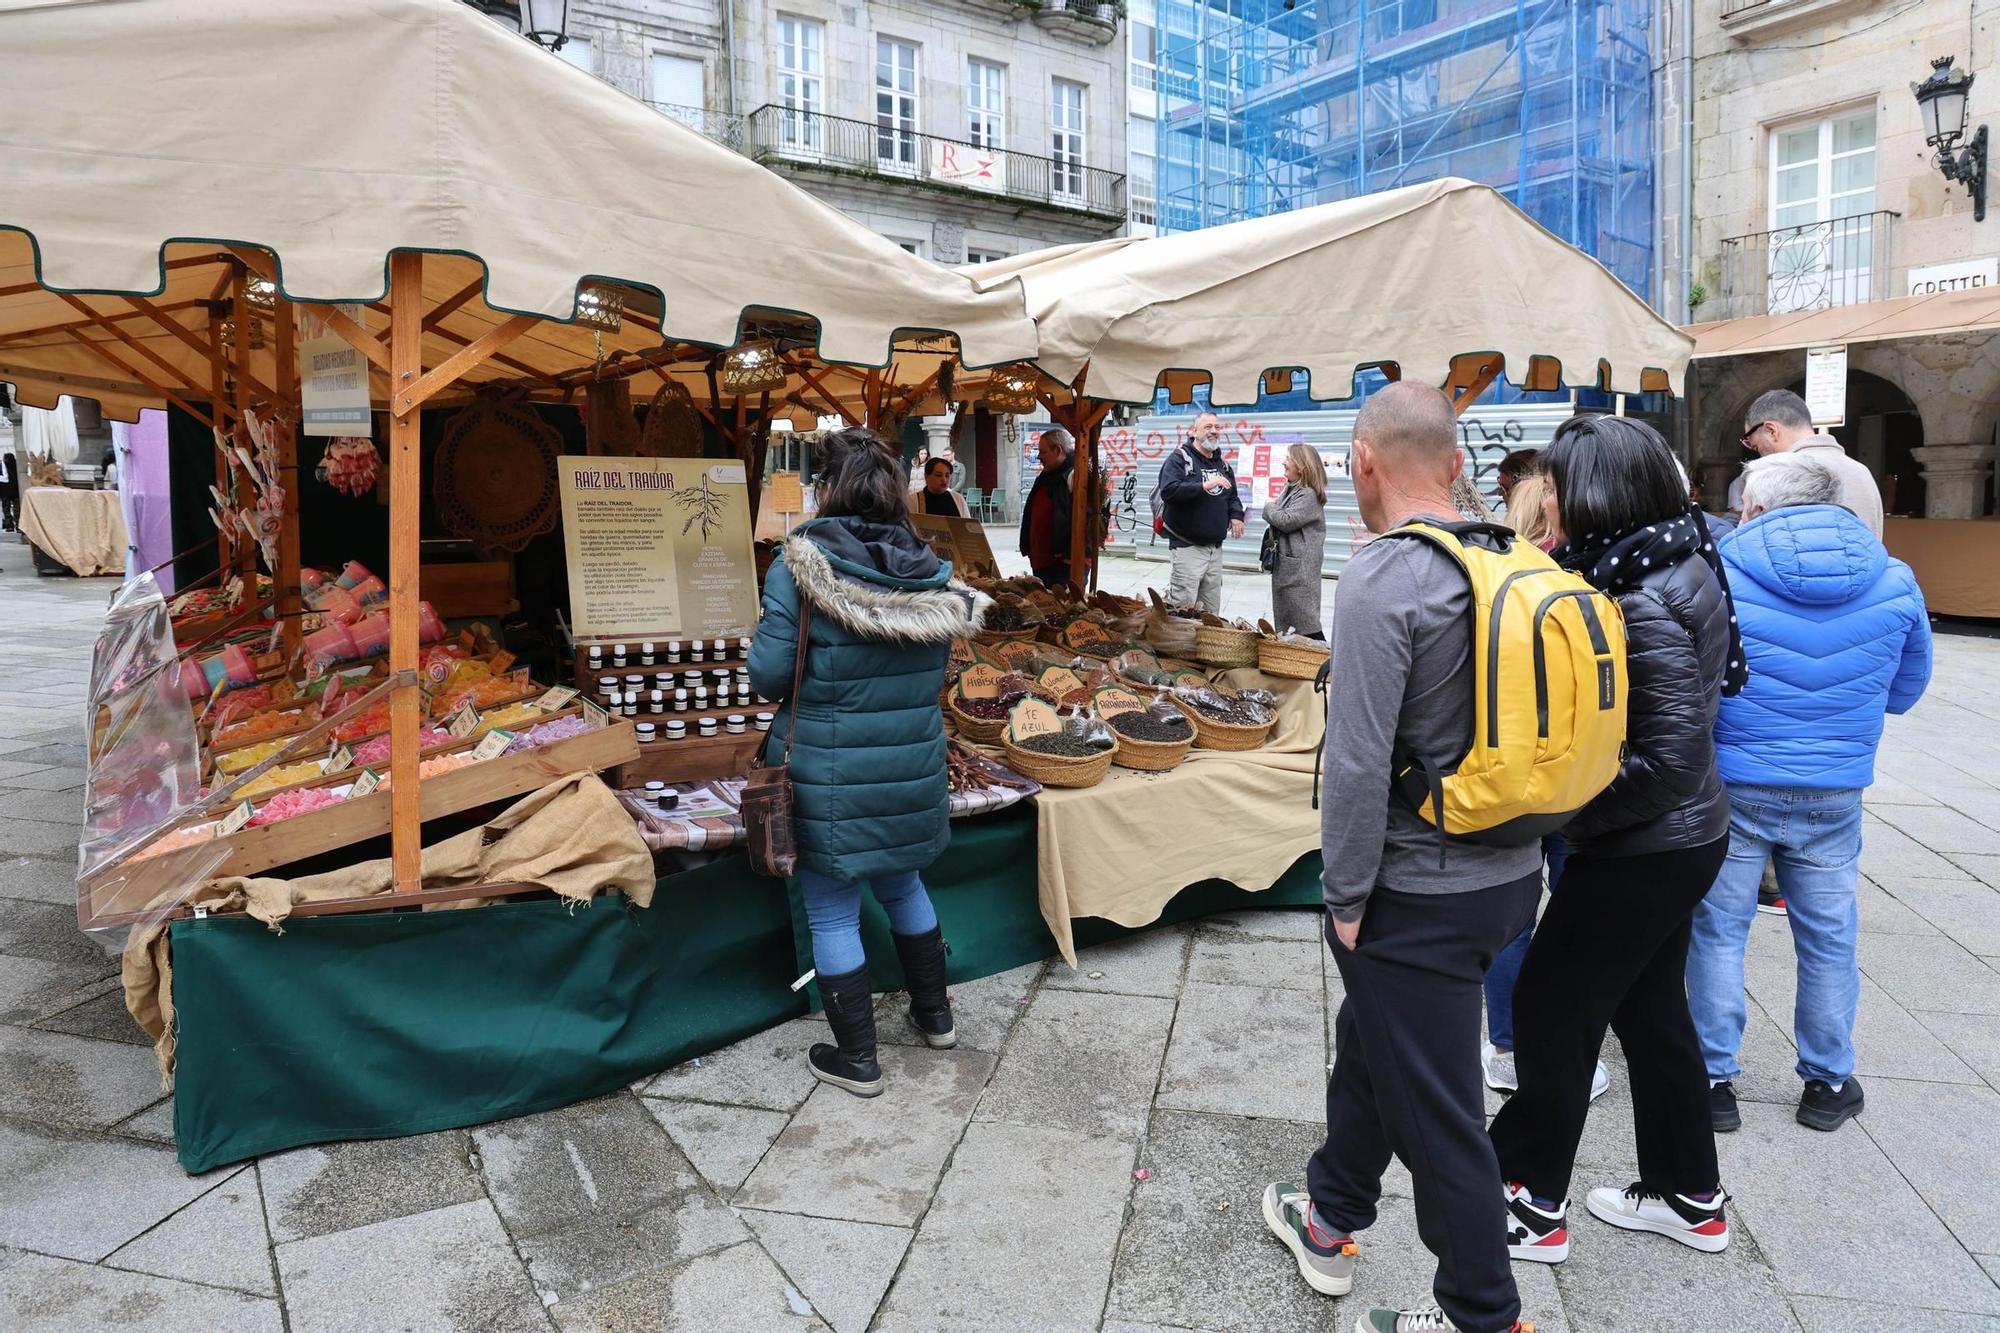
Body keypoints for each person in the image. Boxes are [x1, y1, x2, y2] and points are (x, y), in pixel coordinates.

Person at [1262, 382, 1541, 1333]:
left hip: (1417, 891)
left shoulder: (1387, 573)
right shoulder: (1507, 556)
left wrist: (1345, 898)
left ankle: (1483, 1314)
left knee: (1443, 1119)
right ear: (1459, 466)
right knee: (1381, 1044)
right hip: (1511, 873)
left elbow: (1355, 758)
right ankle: (1333, 1213)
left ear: (1364, 464)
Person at [1488, 415, 1744, 1264]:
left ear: (1598, 491)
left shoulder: (1640, 594)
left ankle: (1529, 1199)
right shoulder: (1678, 554)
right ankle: (1688, 1193)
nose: (1550, 496)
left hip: (1647, 846)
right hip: (1681, 837)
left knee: (1552, 1008)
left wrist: (1561, 814)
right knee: (1651, 1010)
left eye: (1559, 482)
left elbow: (1666, 761)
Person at [1688, 454, 1932, 1135]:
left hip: (1738, 783)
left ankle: (1712, 1081)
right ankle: (1827, 1081)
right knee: (1828, 936)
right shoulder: (1894, 576)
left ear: (1759, 509)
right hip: (1835, 790)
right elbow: (1907, 691)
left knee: (1718, 930)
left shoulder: (1723, 569)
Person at [746, 426, 991, 1098]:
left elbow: (768, 674)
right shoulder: (931, 567)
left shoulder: (799, 564)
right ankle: (935, 1016)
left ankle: (857, 1057)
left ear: (830, 488)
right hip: (910, 766)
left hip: (830, 774)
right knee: (903, 885)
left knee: (831, 913)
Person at [1478, 471, 1609, 1106]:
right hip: (1581, 776)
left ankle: (1507, 1045)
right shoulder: (1593, 575)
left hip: (1513, 776)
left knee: (1511, 918)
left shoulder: (1488, 578)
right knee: (1579, 913)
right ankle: (1560, 1045)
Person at [1740, 388, 1883, 536]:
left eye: (1756, 447)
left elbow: (1752, 543)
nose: (1761, 456)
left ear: (1771, 430)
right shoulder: (1861, 471)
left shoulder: (1781, 476)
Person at [1158, 410, 1243, 611]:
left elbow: (1232, 496)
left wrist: (1236, 516)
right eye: (1208, 427)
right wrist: (1203, 486)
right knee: (1183, 610)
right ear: (1194, 431)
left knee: (1211, 613)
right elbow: (1169, 491)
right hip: (1188, 548)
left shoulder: (1223, 464)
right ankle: (1180, 644)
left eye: (1217, 427)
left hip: (1215, 549)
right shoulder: (1179, 459)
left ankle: (1206, 643)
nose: (1214, 431)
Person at [1262, 442, 1327, 639]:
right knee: (1290, 622)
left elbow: (1286, 520)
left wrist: (1268, 507)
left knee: (1306, 623)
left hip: (1300, 571)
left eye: (1288, 458)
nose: (1284, 462)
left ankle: (1322, 659)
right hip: (1289, 566)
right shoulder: (1292, 488)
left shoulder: (1308, 494)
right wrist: (1275, 509)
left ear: (1302, 465)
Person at [1019, 427, 1077, 586]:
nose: (1038, 456)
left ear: (1058, 450)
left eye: (1043, 452)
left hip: (1063, 566)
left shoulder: (1075, 477)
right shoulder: (1046, 476)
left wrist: (1066, 555)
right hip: (1042, 563)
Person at [0, 448, 18, 531]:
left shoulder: (3, 465)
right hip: (15, 490)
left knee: (6, 508)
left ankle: (9, 525)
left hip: (5, 490)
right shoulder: (15, 464)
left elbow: (5, 478)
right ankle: (18, 525)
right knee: (17, 508)